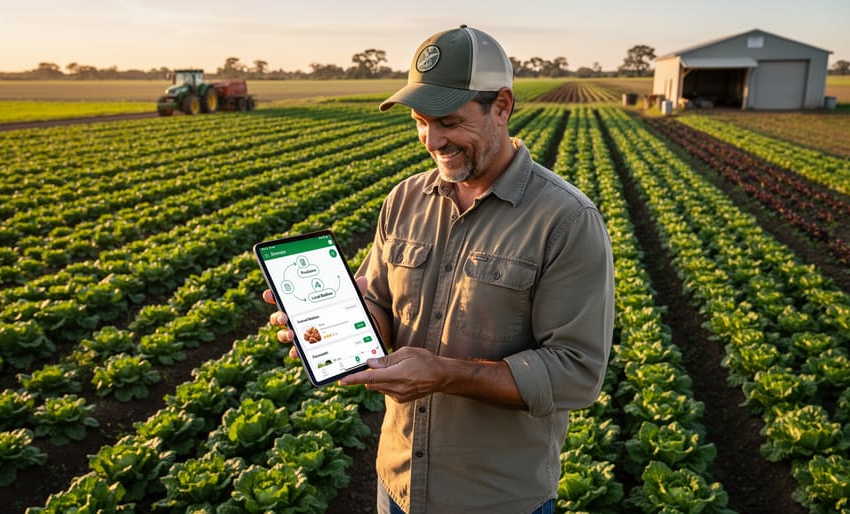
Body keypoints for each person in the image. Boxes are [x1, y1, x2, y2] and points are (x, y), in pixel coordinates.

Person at [263, 25, 614, 514]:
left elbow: (577, 372)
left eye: (449, 121)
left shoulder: (566, 220)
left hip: (496, 500)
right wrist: (336, 320)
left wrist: (445, 374)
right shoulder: (405, 199)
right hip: (397, 485)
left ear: (502, 107)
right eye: (420, 122)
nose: (433, 140)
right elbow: (381, 307)